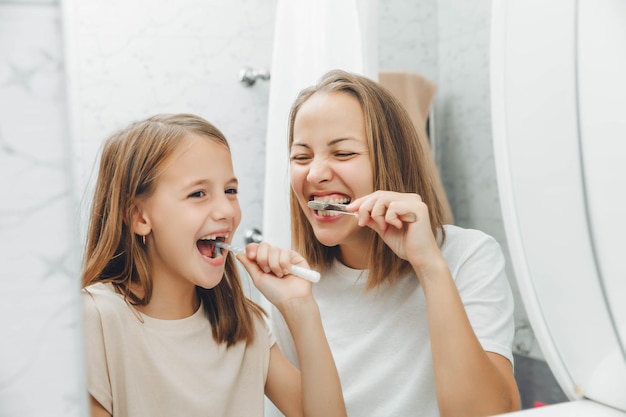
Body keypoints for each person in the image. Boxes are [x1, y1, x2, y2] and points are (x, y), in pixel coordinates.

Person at [269, 70, 521, 417]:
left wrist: (429, 266)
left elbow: (488, 412)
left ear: (392, 161)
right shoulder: (293, 284)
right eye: (301, 157)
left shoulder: (469, 256)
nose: (314, 175)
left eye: (342, 154)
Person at [81, 113, 346, 417]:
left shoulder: (244, 326)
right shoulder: (95, 319)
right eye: (198, 193)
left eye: (230, 191)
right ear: (140, 217)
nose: (226, 211)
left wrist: (301, 308)